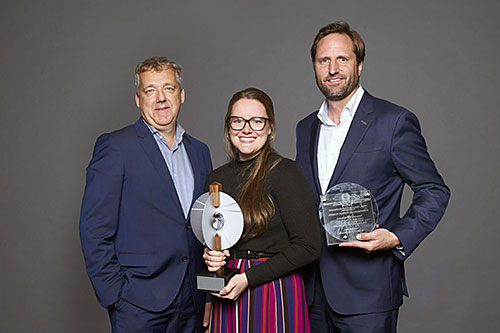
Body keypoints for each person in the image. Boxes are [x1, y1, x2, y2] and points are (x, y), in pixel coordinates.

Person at [295, 22, 451, 332]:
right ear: (314, 67)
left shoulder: (393, 122)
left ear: (360, 64)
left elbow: (434, 190)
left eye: (342, 59)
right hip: (312, 292)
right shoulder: (306, 128)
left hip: (369, 294)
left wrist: (396, 237)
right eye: (323, 60)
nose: (332, 69)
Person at [79, 56, 212, 332]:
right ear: (139, 100)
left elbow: (203, 229)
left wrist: (209, 294)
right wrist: (116, 297)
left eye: (169, 89)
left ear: (182, 95)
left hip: (193, 302)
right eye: (151, 90)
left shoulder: (200, 152)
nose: (160, 98)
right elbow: (94, 229)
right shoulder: (116, 148)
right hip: (138, 305)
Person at [203, 87, 321, 332]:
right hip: (226, 291)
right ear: (228, 127)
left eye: (257, 121)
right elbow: (211, 244)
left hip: (274, 289)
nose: (247, 129)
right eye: (238, 121)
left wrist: (248, 279)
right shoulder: (216, 179)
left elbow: (309, 246)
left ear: (270, 128)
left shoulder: (286, 173)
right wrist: (210, 261)